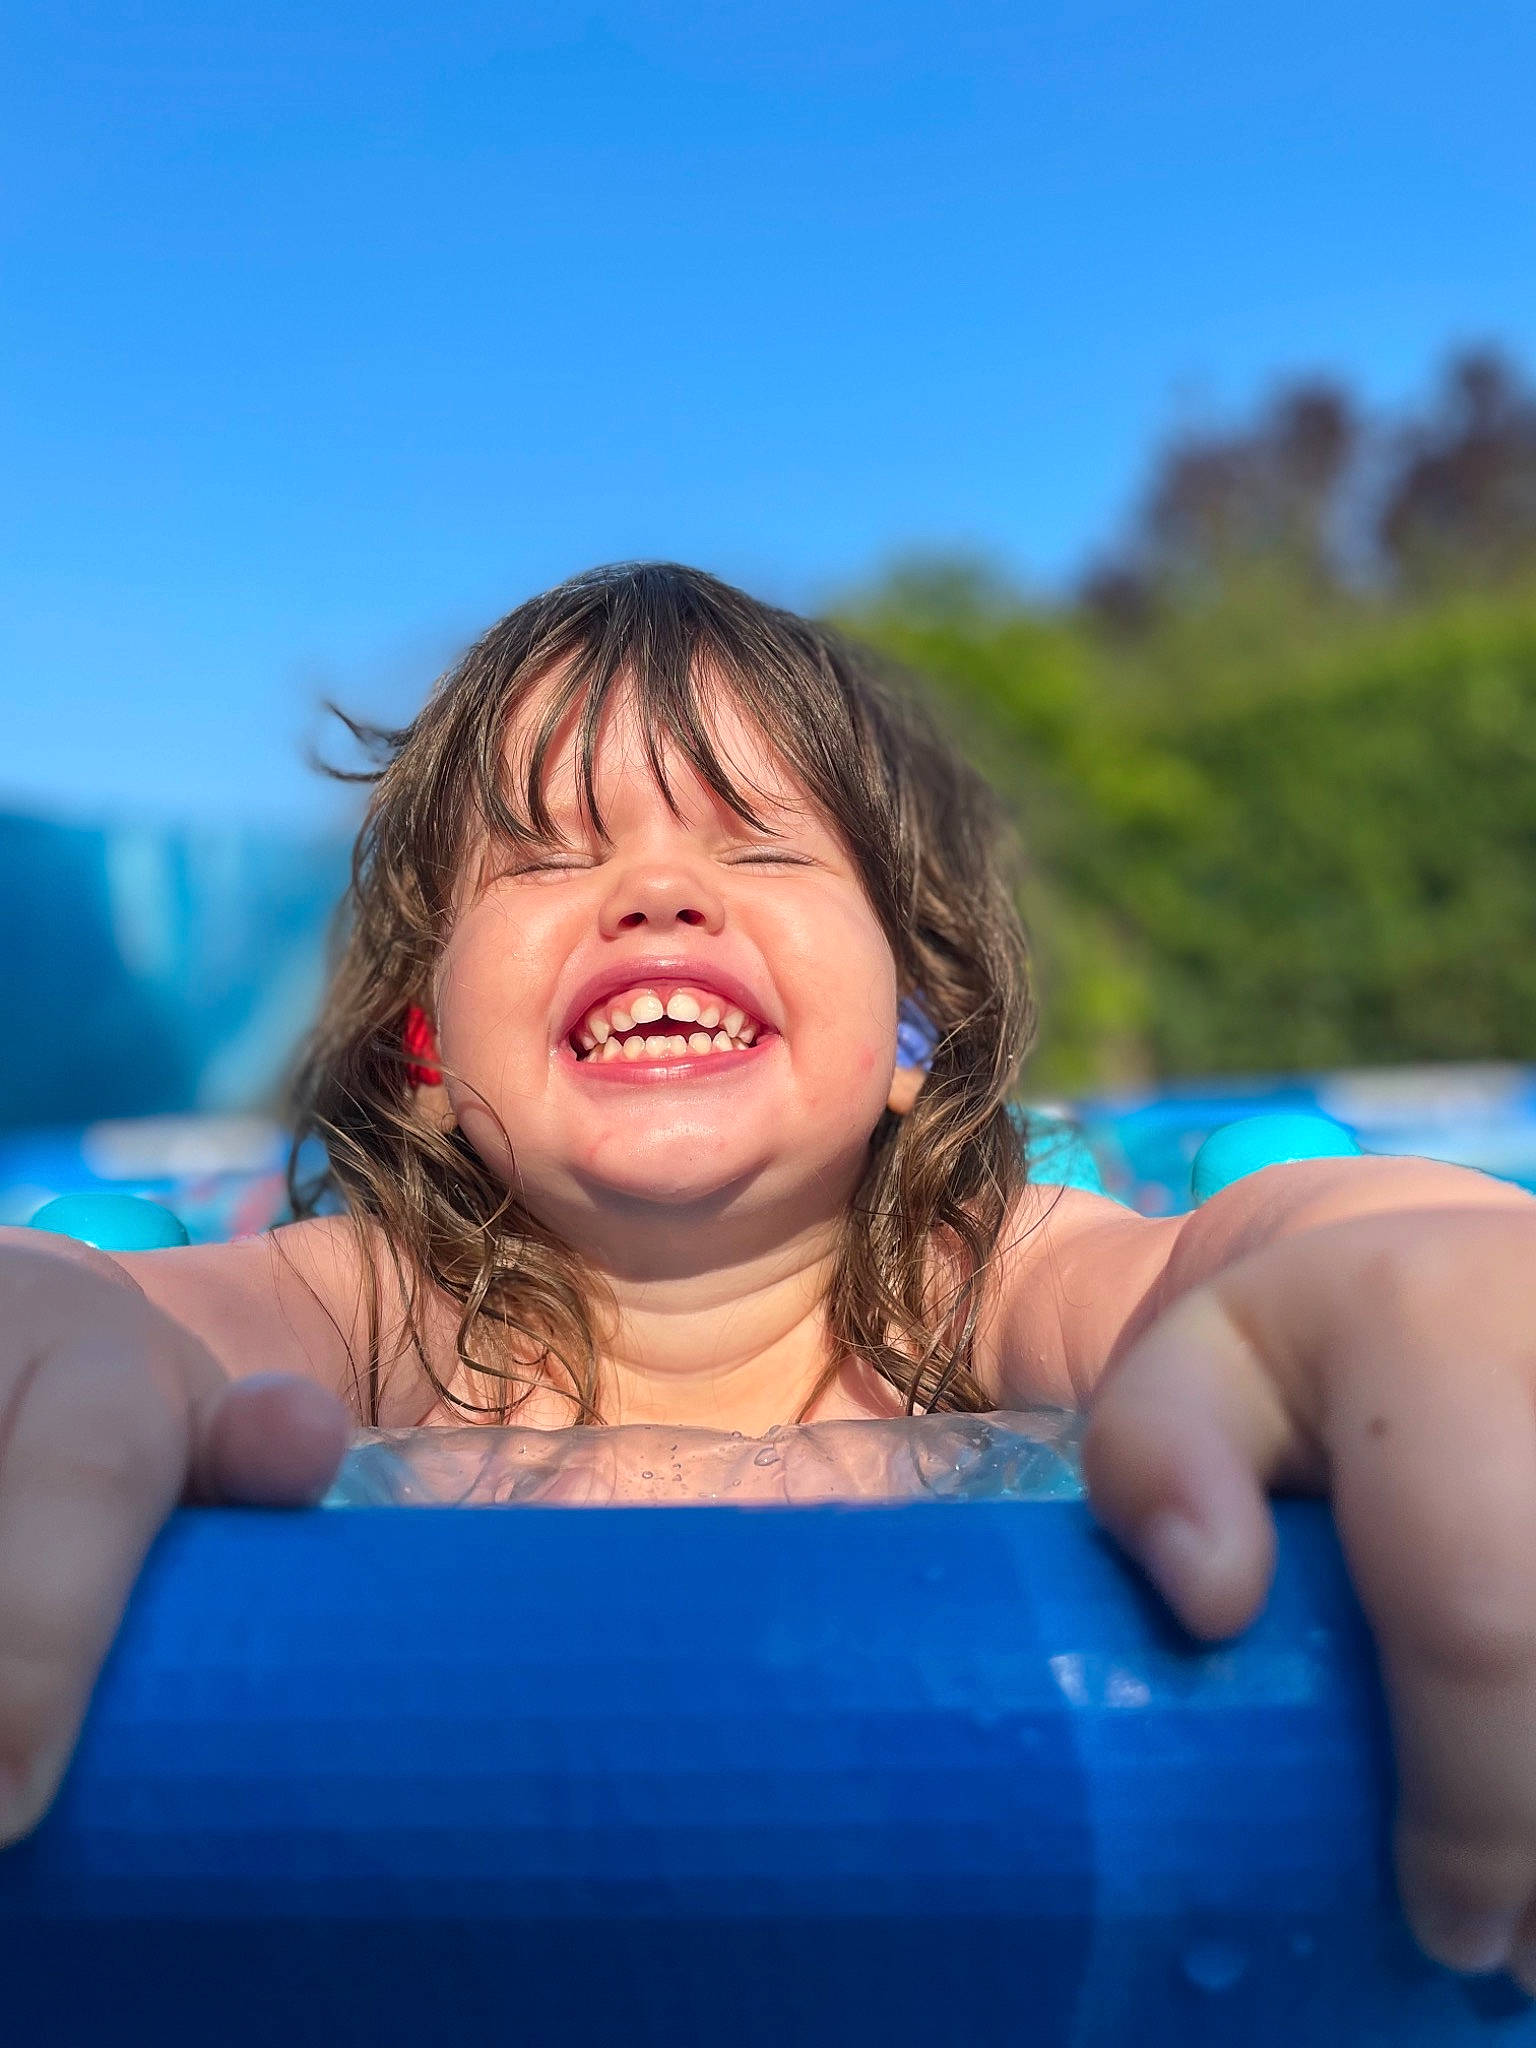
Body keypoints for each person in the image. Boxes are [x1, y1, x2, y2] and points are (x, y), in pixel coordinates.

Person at [3, 562, 1536, 1987]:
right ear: (423, 1051)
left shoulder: (966, 1275)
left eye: (759, 844)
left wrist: (1404, 1259)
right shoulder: (397, 1299)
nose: (660, 895)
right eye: (547, 857)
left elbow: (1211, 1278)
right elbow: (143, 1314)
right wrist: (59, 1317)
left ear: (907, 1033)